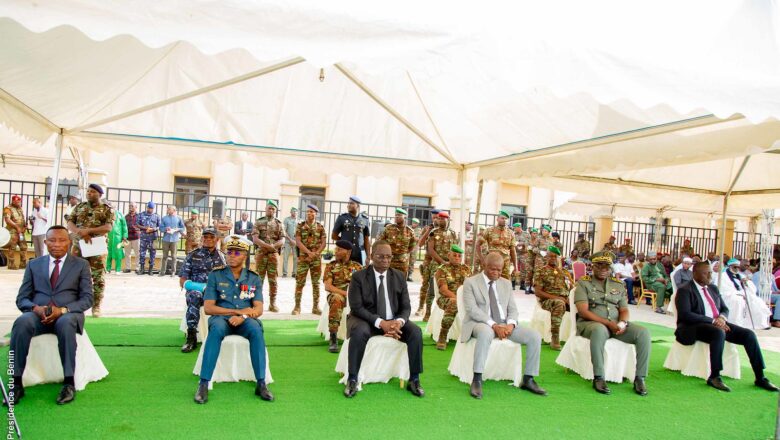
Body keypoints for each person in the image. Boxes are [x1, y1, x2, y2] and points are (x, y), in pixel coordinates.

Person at [7, 226, 93, 405]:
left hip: (67, 314)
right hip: (39, 315)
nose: (57, 244)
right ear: (45, 243)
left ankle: (69, 383)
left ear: (69, 242)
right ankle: (15, 383)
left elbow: (87, 299)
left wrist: (62, 310)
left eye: (62, 240)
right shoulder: (33, 264)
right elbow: (22, 298)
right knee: (21, 322)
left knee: (66, 323)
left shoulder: (81, 265)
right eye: (52, 240)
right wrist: (35, 308)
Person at [675, 261, 778, 393]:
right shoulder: (685, 290)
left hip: (717, 323)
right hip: (692, 327)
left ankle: (760, 376)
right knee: (718, 333)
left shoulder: (713, 288)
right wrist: (713, 321)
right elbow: (685, 315)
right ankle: (714, 376)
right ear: (695, 274)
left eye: (711, 273)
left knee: (749, 335)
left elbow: (724, 308)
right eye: (706, 273)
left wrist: (722, 318)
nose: (710, 276)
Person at [194, 235, 273, 404]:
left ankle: (261, 383)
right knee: (215, 331)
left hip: (245, 320)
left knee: (256, 330)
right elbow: (208, 308)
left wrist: (243, 316)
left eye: (237, 253)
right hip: (221, 318)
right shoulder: (216, 275)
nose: (231, 255)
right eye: (229, 251)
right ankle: (203, 383)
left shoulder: (253, 277)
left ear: (245, 256)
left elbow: (258, 309)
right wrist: (236, 312)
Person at [344, 240, 424, 398]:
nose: (386, 260)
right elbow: (357, 308)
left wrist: (398, 322)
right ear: (372, 256)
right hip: (367, 320)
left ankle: (414, 379)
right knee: (359, 332)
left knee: (416, 332)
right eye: (381, 257)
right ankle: (352, 379)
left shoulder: (399, 276)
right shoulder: (359, 277)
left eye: (389, 257)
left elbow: (406, 307)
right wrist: (381, 323)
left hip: (394, 321)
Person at [461, 252, 547, 399]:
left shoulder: (506, 283)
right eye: (492, 269)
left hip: (504, 324)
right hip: (480, 323)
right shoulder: (471, 282)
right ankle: (477, 379)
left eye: (499, 269)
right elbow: (472, 310)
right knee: (486, 333)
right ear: (484, 266)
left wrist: (511, 325)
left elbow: (512, 309)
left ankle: (528, 379)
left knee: (534, 336)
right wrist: (494, 325)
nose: (496, 272)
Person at [574, 251, 651, 396]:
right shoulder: (583, 283)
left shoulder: (618, 285)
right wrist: (608, 324)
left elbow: (624, 309)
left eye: (607, 266)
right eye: (599, 265)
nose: (603, 269)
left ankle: (640, 378)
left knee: (643, 333)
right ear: (592, 266)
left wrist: (622, 323)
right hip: (590, 324)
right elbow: (583, 311)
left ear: (610, 268)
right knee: (599, 330)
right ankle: (599, 377)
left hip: (615, 324)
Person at [66, 184, 114, 317]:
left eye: (92, 192)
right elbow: (70, 223)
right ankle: (75, 305)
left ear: (99, 194)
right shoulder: (79, 207)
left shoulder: (107, 209)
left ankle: (96, 306)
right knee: (75, 275)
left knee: (98, 278)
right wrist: (80, 232)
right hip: (79, 246)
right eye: (88, 191)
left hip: (97, 247)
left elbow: (108, 227)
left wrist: (89, 231)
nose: (89, 194)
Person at [178, 228, 225, 353]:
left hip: (216, 292)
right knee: (195, 295)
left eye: (211, 237)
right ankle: (191, 337)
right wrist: (201, 287)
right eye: (206, 237)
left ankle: (223, 333)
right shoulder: (192, 255)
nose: (208, 239)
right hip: (196, 289)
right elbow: (182, 281)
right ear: (202, 238)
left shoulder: (222, 257)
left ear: (217, 239)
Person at [323, 240, 363, 353]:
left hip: (355, 298)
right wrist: (346, 294)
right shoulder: (331, 266)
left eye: (339, 249)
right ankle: (333, 337)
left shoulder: (358, 267)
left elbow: (365, 285)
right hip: (339, 296)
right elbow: (328, 287)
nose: (336, 251)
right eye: (336, 249)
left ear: (348, 252)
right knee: (336, 298)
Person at [433, 245, 471, 350]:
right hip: (446, 299)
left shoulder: (466, 269)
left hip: (463, 299)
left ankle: (472, 334)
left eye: (459, 256)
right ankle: (443, 335)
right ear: (448, 255)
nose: (457, 258)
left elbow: (471, 287)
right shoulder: (442, 269)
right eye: (454, 255)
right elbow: (443, 290)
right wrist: (459, 300)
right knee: (454, 303)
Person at [534, 246, 570, 350]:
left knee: (582, 304)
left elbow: (567, 287)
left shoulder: (562, 272)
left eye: (555, 257)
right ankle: (555, 336)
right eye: (551, 256)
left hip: (564, 300)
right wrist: (558, 298)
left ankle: (577, 337)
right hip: (548, 301)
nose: (553, 258)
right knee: (559, 303)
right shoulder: (541, 271)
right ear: (546, 258)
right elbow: (538, 292)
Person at [719, 258, 771, 330]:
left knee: (758, 301)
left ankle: (760, 324)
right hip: (730, 296)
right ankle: (736, 324)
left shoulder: (741, 276)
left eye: (738, 267)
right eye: (735, 267)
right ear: (730, 266)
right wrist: (740, 294)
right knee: (738, 301)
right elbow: (724, 290)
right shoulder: (723, 276)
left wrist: (746, 283)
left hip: (744, 295)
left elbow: (753, 289)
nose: (737, 269)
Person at [424, 212, 458, 321]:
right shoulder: (433, 233)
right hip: (437, 265)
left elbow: (456, 249)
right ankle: (428, 312)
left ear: (448, 220)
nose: (440, 221)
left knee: (449, 288)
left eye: (443, 219)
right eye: (439, 219)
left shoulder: (453, 233)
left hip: (450, 266)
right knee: (432, 290)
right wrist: (442, 261)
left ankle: (447, 311)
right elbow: (430, 250)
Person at [294, 204, 326, 315]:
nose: (309, 213)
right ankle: (297, 307)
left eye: (312, 211)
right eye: (308, 211)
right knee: (299, 282)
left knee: (316, 283)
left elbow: (323, 243)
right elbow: (298, 241)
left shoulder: (320, 227)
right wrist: (309, 253)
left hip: (316, 259)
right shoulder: (300, 226)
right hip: (303, 258)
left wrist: (315, 254)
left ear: (316, 213)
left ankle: (315, 307)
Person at [252, 200, 284, 312]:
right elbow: (255, 239)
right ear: (265, 209)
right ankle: (257, 303)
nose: (271, 210)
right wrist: (266, 246)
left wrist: (273, 246)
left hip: (273, 255)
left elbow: (282, 239)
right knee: (258, 280)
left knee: (273, 280)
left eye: (273, 209)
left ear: (275, 211)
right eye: (269, 208)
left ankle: (272, 303)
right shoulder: (258, 222)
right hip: (261, 254)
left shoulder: (279, 223)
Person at [477, 210, 517, 281]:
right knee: (488, 281)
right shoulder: (489, 230)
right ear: (497, 219)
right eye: (502, 218)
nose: (504, 220)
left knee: (504, 283)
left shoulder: (511, 233)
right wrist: (482, 259)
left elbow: (513, 250)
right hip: (492, 262)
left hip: (505, 263)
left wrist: (515, 267)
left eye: (506, 219)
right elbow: (478, 244)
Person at [331, 196, 371, 265]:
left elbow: (366, 239)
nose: (349, 205)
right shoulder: (342, 218)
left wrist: (368, 256)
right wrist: (344, 241)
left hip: (359, 253)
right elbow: (334, 236)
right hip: (345, 252)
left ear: (357, 206)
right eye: (348, 203)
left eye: (352, 203)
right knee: (343, 273)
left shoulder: (365, 219)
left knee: (359, 274)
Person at [378, 208, 416, 277]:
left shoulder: (410, 231)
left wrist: (404, 254)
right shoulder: (389, 228)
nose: (397, 217)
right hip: (389, 260)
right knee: (388, 282)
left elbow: (412, 245)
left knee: (401, 283)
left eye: (399, 215)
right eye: (396, 215)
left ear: (405, 217)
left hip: (402, 262)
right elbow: (381, 242)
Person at [416, 210, 440, 315]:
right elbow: (420, 244)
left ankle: (435, 309)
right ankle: (421, 307)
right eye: (433, 217)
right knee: (425, 285)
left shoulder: (444, 230)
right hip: (428, 261)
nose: (435, 220)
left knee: (437, 286)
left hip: (439, 262)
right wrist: (427, 232)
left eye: (437, 217)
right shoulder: (427, 228)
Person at [3, 194, 28, 270]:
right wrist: (17, 227)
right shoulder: (7, 208)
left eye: (19, 202)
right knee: (12, 247)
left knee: (23, 247)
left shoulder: (20, 208)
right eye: (16, 201)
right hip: (12, 231)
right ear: (13, 201)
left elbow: (22, 218)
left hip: (21, 232)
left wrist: (24, 226)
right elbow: (7, 220)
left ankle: (23, 264)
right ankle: (11, 264)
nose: (18, 203)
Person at [528, 224, 554, 295]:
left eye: (545, 231)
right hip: (539, 259)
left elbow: (552, 249)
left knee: (546, 273)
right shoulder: (538, 238)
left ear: (548, 232)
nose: (543, 232)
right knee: (537, 273)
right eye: (543, 231)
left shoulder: (551, 239)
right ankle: (536, 288)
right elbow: (533, 248)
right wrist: (540, 251)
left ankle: (544, 288)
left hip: (547, 259)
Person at [136, 201, 161, 275]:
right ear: (147, 207)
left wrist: (153, 229)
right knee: (142, 253)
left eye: (152, 208)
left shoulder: (157, 216)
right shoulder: (141, 215)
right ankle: (142, 269)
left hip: (154, 237)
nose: (150, 210)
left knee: (153, 253)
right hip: (144, 237)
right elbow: (137, 224)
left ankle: (150, 269)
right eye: (149, 208)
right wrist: (145, 228)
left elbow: (160, 226)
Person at [159, 206, 185, 276]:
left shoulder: (179, 218)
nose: (168, 210)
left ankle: (173, 272)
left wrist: (178, 229)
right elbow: (160, 228)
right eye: (168, 209)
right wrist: (165, 228)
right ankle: (162, 272)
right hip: (166, 239)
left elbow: (182, 228)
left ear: (174, 210)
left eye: (169, 209)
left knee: (174, 256)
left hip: (175, 239)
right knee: (164, 256)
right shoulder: (164, 218)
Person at [105, 207, 128, 274]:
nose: (111, 209)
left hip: (118, 238)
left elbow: (124, 226)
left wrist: (125, 236)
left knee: (118, 254)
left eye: (112, 208)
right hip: (109, 237)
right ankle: (107, 268)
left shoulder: (120, 215)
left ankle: (118, 269)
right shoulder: (107, 215)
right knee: (108, 253)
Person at [281, 207, 299, 277]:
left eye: (296, 212)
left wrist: (296, 241)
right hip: (288, 242)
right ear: (291, 212)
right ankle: (284, 273)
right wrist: (290, 239)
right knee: (285, 257)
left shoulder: (299, 221)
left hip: (296, 242)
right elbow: (284, 231)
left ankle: (294, 273)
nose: (295, 213)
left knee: (295, 258)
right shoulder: (286, 220)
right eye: (293, 211)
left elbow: (300, 232)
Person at [123, 203, 140, 273]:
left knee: (137, 253)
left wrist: (140, 231)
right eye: (130, 206)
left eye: (132, 206)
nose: (131, 207)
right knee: (127, 254)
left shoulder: (139, 216)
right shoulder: (126, 216)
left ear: (136, 207)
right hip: (128, 238)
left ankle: (137, 268)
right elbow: (123, 227)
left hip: (136, 237)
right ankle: (128, 268)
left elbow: (142, 225)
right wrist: (123, 236)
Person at [514, 223, 531, 290]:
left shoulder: (526, 234)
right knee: (514, 268)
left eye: (515, 228)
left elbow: (529, 242)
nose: (514, 229)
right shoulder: (513, 234)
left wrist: (523, 244)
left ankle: (522, 284)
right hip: (516, 253)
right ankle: (513, 284)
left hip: (524, 254)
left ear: (519, 227)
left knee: (523, 269)